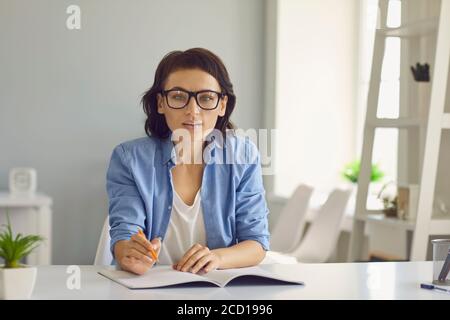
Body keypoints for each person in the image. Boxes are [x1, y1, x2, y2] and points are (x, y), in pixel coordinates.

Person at [106, 48, 270, 275]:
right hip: (150, 287)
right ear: (161, 103)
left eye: (206, 98)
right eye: (178, 97)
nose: (193, 111)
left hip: (217, 290)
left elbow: (256, 244)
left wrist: (216, 257)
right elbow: (125, 233)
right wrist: (129, 253)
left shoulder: (243, 155)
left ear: (222, 105)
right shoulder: (129, 159)